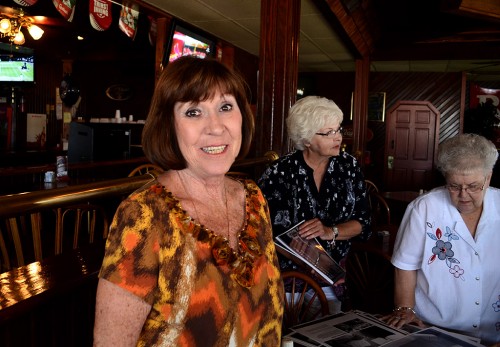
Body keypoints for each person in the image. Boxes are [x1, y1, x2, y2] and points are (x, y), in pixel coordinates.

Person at [93, 56, 284, 346]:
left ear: (242, 116)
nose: (216, 127)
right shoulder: (143, 215)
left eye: (225, 107)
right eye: (194, 112)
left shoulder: (253, 197)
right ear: (168, 125)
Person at [257, 95, 371, 314]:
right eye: (328, 133)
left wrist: (331, 231)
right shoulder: (280, 172)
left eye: (338, 129)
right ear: (306, 139)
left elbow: (363, 224)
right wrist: (312, 264)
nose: (338, 137)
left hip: (333, 277)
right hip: (288, 279)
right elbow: (267, 233)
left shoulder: (348, 166)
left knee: (328, 331)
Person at [383, 133, 500, 346]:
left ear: (488, 177)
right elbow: (405, 264)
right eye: (454, 186)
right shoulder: (425, 208)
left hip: (493, 331)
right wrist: (405, 309)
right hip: (434, 329)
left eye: (473, 186)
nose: (463, 195)